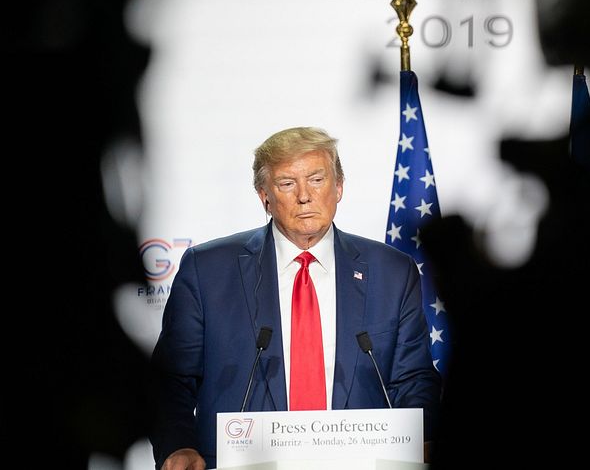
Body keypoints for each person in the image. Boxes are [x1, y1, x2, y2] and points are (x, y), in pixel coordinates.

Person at [151, 127, 441, 470]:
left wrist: (419, 437)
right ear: (264, 196)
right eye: (287, 183)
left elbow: (412, 379)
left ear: (339, 187)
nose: (304, 195)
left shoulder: (392, 271)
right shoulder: (208, 269)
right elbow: (170, 380)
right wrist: (178, 446)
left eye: (317, 179)